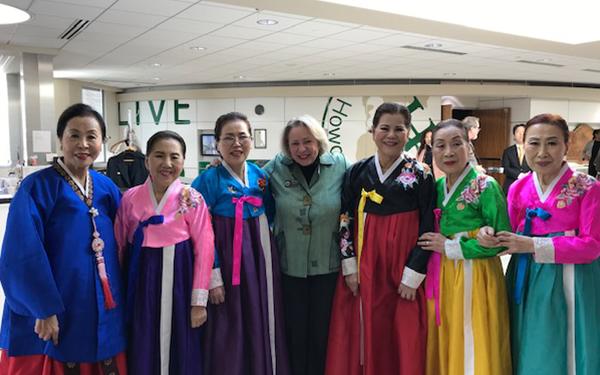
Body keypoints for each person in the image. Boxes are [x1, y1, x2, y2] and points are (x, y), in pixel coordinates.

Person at [0, 103, 127, 374]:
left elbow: (125, 236)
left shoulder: (106, 187)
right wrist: (42, 308)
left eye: (91, 136)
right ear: (61, 139)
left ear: (101, 141)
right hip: (58, 298)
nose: (83, 144)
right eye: (74, 135)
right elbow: (22, 253)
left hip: (102, 297)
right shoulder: (36, 188)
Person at [325, 102, 436, 375]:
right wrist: (349, 266)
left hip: (401, 269)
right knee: (363, 328)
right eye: (384, 128)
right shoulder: (356, 171)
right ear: (373, 131)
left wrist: (413, 275)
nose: (391, 134)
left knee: (401, 331)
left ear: (409, 133)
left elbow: (428, 227)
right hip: (364, 267)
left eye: (399, 129)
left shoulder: (421, 175)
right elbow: (345, 219)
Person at [488, 114, 600, 375]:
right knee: (528, 341)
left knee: (567, 342)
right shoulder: (519, 187)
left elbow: (592, 245)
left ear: (566, 144)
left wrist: (533, 245)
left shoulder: (588, 187)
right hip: (525, 276)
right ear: (523, 145)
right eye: (534, 143)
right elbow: (508, 233)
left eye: (551, 143)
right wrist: (489, 234)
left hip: (571, 279)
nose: (542, 153)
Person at [192, 112, 290, 375]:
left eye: (242, 137)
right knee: (230, 320)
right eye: (229, 138)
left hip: (260, 256)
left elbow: (268, 211)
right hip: (226, 256)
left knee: (262, 312)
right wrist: (213, 276)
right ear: (217, 143)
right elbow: (200, 231)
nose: (236, 143)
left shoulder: (260, 174)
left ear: (251, 140)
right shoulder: (207, 179)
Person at [115, 131, 214, 375]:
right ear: (147, 160)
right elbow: (119, 246)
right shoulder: (129, 199)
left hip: (180, 280)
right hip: (140, 281)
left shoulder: (192, 199)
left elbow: (205, 249)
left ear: (183, 161)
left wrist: (198, 302)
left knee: (181, 343)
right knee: (142, 339)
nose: (167, 164)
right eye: (159, 155)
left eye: (174, 157)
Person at [420, 119, 512, 375]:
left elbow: (502, 240)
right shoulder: (435, 188)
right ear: (432, 150)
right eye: (440, 145)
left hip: (477, 277)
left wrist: (453, 247)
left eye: (456, 144)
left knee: (474, 335)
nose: (448, 152)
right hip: (442, 276)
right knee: (446, 332)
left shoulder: (486, 186)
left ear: (469, 147)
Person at [262, 115, 351, 375]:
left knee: (323, 333)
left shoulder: (341, 165)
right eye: (295, 143)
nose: (302, 149)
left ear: (319, 141)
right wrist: (218, 168)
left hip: (329, 265)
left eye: (308, 142)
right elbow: (246, 182)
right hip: (290, 266)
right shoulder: (275, 168)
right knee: (294, 333)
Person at [502, 124, 531, 195]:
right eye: (518, 132)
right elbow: (505, 168)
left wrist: (527, 176)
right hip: (511, 183)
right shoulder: (508, 151)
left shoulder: (532, 150)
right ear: (514, 136)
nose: (521, 134)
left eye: (523, 132)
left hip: (529, 182)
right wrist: (520, 175)